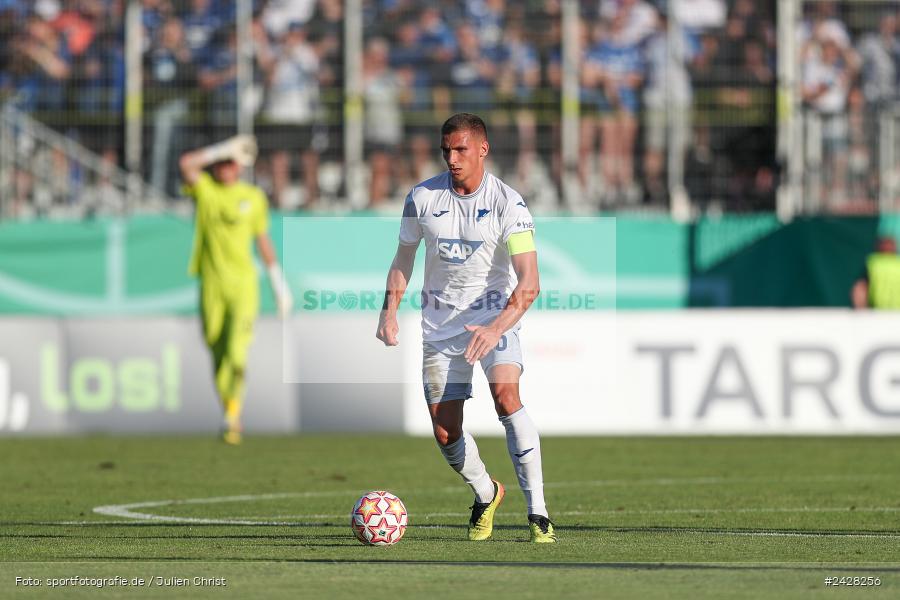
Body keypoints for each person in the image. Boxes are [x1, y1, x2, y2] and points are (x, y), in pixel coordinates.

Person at [376, 113, 556, 543]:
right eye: (446, 150)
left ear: (482, 149)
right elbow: (403, 258)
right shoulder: (421, 198)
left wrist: (495, 329)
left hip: (494, 318)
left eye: (460, 149)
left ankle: (538, 513)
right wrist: (388, 310)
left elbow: (529, 283)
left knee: (506, 396)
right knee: (445, 431)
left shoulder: (509, 204)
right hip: (441, 327)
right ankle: (486, 492)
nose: (452, 158)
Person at [179, 135, 293, 444]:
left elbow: (263, 240)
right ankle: (230, 411)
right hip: (211, 284)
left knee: (236, 351)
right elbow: (187, 165)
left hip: (244, 285)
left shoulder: (253, 197)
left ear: (239, 167)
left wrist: (278, 283)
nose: (225, 168)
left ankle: (232, 413)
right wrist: (221, 148)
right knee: (216, 349)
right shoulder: (206, 190)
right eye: (221, 163)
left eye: (230, 163)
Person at [852, 237, 900, 310]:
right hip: (879, 312)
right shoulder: (873, 263)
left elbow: (860, 288)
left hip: (879, 312)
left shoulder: (872, 263)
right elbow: (860, 288)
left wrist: (862, 310)